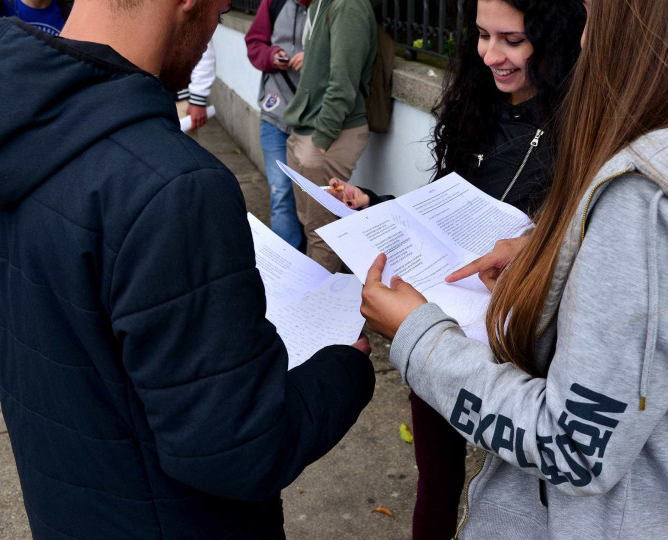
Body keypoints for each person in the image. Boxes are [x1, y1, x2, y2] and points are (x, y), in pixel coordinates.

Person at [360, 0, 668, 537]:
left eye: (595, 16)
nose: (583, 41)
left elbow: (572, 446)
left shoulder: (652, 205)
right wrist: (553, 248)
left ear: (649, 24)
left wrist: (418, 335)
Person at [0, 0, 375, 538]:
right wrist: (346, 369)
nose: (217, 24)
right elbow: (240, 448)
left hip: (66, 507)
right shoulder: (172, 186)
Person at [328, 1, 585, 537]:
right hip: (443, 321)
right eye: (482, 36)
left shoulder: (584, 130)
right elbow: (439, 216)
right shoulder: (478, 108)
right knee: (436, 477)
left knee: (522, 488)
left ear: (552, 37)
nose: (491, 55)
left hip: (528, 346)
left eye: (511, 40)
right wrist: (373, 203)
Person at [283, 0, 377, 271]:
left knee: (323, 233)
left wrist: (321, 140)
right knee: (311, 224)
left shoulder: (348, 6)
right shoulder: (319, 5)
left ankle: (318, 306)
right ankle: (315, 299)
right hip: (307, 131)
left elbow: (343, 84)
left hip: (329, 137)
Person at [245, 0, 310, 249]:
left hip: (311, 117)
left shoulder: (330, 7)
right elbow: (254, 43)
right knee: (280, 191)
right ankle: (288, 258)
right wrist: (272, 55)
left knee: (312, 195)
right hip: (275, 113)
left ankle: (313, 259)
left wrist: (313, 57)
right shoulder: (273, 3)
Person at [176, 43, 216, 136]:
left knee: (181, 148)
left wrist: (197, 99)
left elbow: (202, 50)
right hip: (141, 98)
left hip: (177, 100)